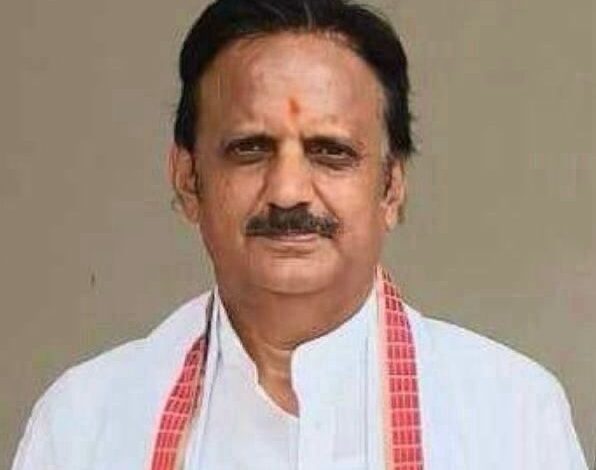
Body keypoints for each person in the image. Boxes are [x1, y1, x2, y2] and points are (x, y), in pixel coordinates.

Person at [12, 0, 588, 469]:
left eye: (330, 152)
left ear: (390, 188)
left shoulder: (509, 414)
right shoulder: (88, 423)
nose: (288, 191)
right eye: (250, 149)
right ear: (188, 180)